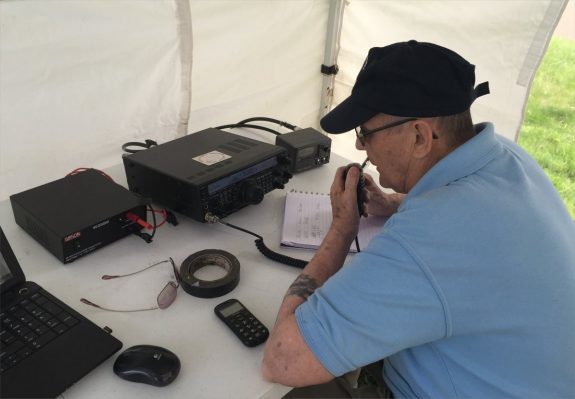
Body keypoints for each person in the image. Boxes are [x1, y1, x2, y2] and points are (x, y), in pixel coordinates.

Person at [261, 40, 575, 398]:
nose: (361, 147)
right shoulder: (505, 157)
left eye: (365, 132)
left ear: (420, 136)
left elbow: (283, 360)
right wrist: (393, 203)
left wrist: (341, 231)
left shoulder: (431, 239)